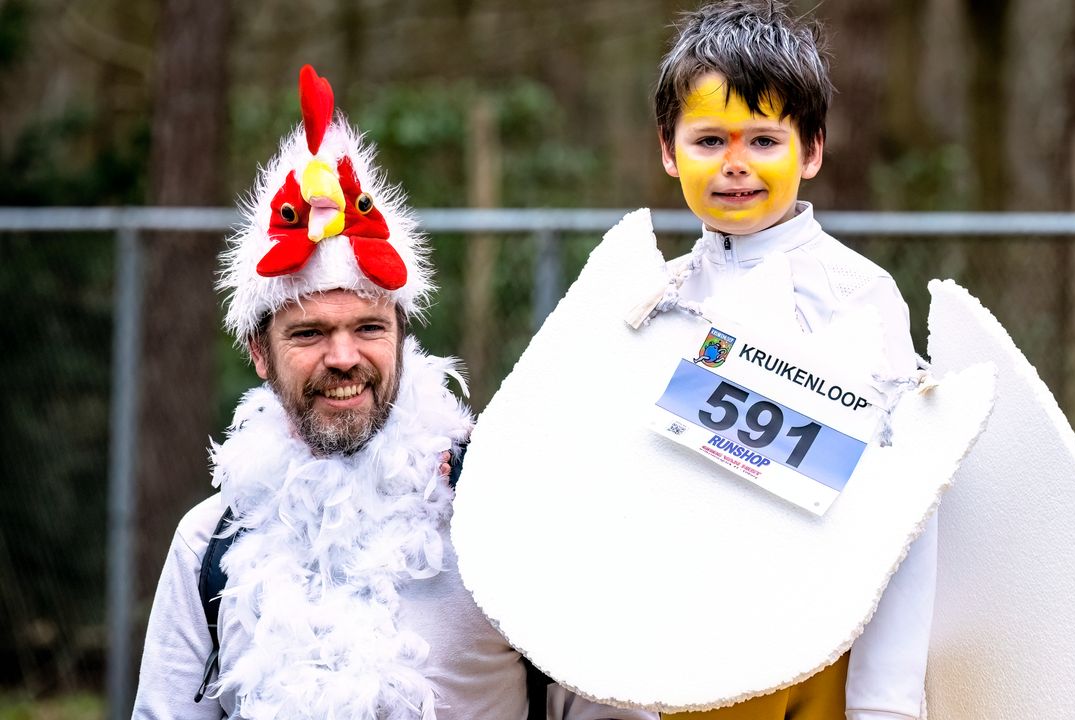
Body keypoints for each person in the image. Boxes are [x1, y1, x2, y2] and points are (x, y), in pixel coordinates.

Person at [132, 65, 655, 720]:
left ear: (403, 337)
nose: (344, 357)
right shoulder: (209, 545)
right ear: (259, 353)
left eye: (369, 327)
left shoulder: (504, 521)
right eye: (310, 334)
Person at [652, 3, 937, 718]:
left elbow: (904, 512)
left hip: (817, 661)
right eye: (710, 139)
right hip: (679, 655)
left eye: (764, 140)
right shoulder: (655, 298)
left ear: (811, 150)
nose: (736, 164)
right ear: (668, 150)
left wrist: (885, 704)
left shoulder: (859, 298)